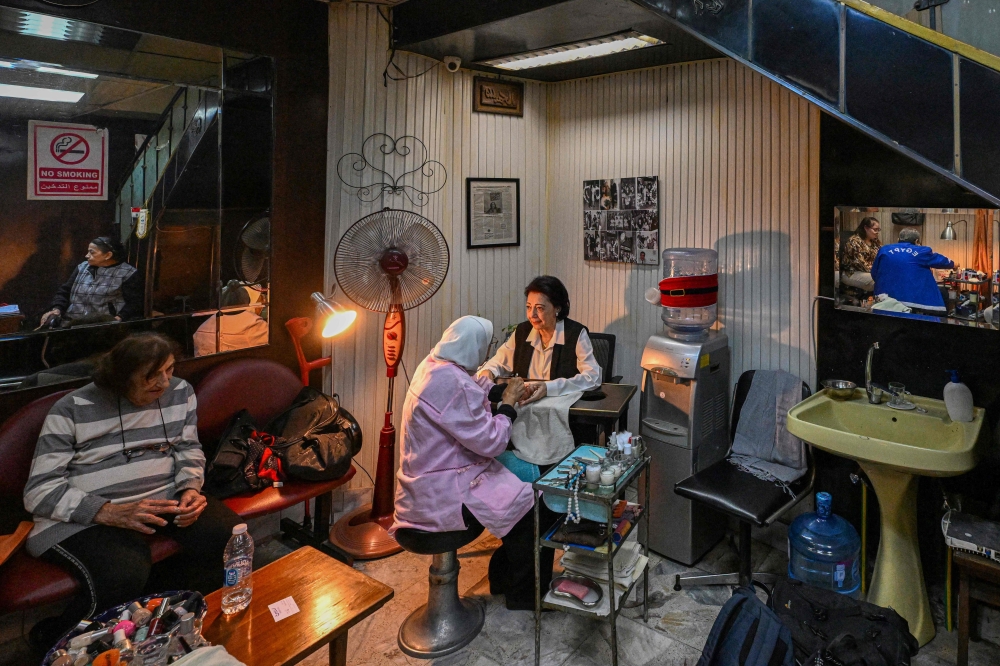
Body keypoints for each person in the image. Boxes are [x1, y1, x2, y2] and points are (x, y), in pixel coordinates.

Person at [23, 333, 241, 647]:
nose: (165, 383)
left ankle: (162, 619)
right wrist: (108, 511)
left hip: (164, 495)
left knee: (231, 540)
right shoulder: (71, 409)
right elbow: (39, 491)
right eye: (151, 378)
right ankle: (57, 640)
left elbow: (188, 448)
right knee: (125, 570)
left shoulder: (181, 392)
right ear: (119, 379)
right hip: (83, 515)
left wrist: (191, 487)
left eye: (169, 370)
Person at [389, 316, 556, 610]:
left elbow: (469, 386)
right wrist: (508, 406)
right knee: (534, 506)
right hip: (445, 496)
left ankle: (503, 578)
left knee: (521, 497)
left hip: (423, 485)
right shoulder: (451, 384)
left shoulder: (432, 365)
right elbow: (492, 441)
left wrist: (501, 391)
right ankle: (523, 595)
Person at [478, 275, 601, 407]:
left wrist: (549, 388)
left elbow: (593, 377)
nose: (532, 314)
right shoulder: (522, 332)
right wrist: (488, 372)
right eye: (529, 307)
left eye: (540, 308)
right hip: (524, 406)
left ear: (557, 308)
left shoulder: (575, 333)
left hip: (561, 407)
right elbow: (498, 362)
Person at [40, 236, 142, 326]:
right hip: (71, 323)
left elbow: (134, 303)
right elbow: (65, 291)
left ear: (108, 255)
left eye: (91, 252)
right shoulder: (82, 267)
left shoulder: (127, 273)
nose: (87, 255)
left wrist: (118, 318)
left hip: (103, 327)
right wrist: (57, 309)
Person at [871, 228, 955, 315]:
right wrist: (955, 265)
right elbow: (943, 261)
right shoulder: (922, 251)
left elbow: (874, 273)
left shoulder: (884, 250)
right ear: (917, 241)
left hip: (884, 299)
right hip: (914, 302)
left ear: (898, 240)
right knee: (943, 294)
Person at [193, 281, 269, 356]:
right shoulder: (254, 325)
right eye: (261, 300)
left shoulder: (202, 329)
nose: (262, 305)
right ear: (248, 301)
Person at [840, 217, 881, 292]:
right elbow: (861, 264)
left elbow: (881, 256)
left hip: (871, 270)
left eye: (878, 229)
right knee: (879, 281)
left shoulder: (875, 241)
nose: (877, 232)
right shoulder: (854, 242)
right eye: (875, 229)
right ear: (866, 228)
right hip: (852, 272)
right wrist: (880, 271)